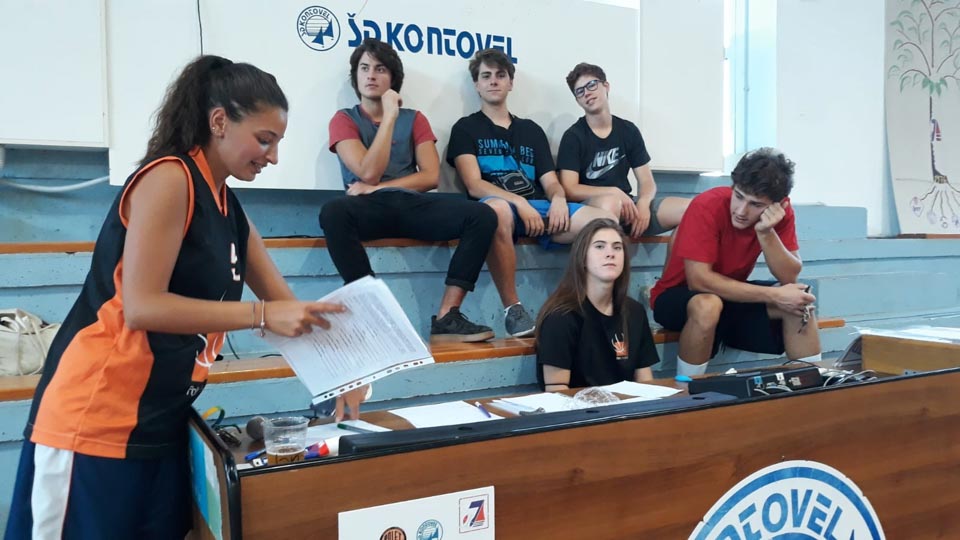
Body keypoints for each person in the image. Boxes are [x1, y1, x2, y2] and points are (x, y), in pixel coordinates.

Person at [6, 55, 367, 539]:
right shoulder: (169, 178)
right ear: (219, 122)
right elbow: (143, 306)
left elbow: (288, 308)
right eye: (265, 139)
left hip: (164, 421)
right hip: (94, 420)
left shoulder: (229, 206)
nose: (273, 156)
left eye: (278, 142)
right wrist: (261, 314)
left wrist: (343, 374)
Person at [320, 38, 497, 343]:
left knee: (482, 214)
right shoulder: (344, 119)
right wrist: (388, 117)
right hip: (365, 210)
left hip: (411, 204)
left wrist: (377, 188)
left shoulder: (414, 119)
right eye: (364, 68)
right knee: (332, 212)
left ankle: (448, 316)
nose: (371, 75)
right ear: (355, 76)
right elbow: (367, 171)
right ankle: (370, 312)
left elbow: (429, 176)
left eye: (380, 69)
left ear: (393, 79)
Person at [447, 48, 614, 338]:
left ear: (510, 82)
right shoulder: (465, 128)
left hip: (539, 209)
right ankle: (514, 310)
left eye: (501, 75)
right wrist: (519, 202)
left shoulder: (531, 130)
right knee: (496, 210)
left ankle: (590, 305)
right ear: (476, 84)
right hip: (498, 208)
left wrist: (559, 199)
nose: (493, 81)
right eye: (486, 76)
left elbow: (550, 181)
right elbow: (474, 185)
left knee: (604, 224)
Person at [649, 148, 822, 378]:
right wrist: (773, 295)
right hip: (677, 297)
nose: (741, 211)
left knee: (799, 299)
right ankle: (686, 389)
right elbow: (699, 281)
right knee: (708, 304)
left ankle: (812, 386)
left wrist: (766, 232)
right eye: (738, 196)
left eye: (755, 204)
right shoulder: (707, 204)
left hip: (729, 297)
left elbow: (789, 276)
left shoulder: (781, 215)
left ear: (778, 205)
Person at [557, 62, 689, 240]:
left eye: (591, 85)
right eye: (580, 91)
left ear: (606, 86)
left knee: (691, 209)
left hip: (629, 205)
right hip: (594, 207)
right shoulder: (573, 136)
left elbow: (647, 181)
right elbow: (570, 189)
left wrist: (643, 204)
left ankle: (674, 260)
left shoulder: (628, 130)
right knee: (611, 203)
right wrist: (613, 191)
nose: (587, 93)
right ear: (577, 100)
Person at [536, 219, 660, 391]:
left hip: (625, 405)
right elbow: (556, 389)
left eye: (617, 247)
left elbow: (645, 382)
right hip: (579, 406)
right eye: (600, 246)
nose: (610, 254)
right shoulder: (561, 316)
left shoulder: (635, 311)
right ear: (582, 257)